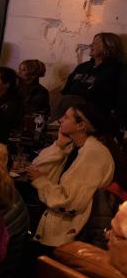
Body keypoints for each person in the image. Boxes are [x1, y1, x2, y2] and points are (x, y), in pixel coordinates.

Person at [28, 104, 116, 247]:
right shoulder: (73, 147)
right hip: (52, 224)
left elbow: (70, 203)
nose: (60, 120)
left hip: (66, 236)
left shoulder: (93, 155)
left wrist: (41, 182)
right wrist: (59, 145)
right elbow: (35, 168)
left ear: (81, 125)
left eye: (66, 117)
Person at [62, 32, 123, 114]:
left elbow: (109, 100)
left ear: (108, 47)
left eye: (95, 43)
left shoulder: (116, 71)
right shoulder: (83, 67)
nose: (91, 46)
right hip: (70, 115)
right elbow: (66, 90)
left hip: (95, 119)